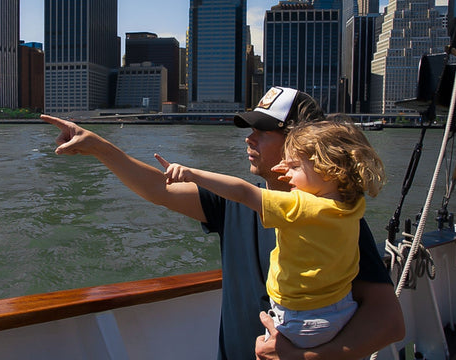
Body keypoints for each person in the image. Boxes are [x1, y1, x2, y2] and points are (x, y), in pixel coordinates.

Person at [41, 86, 405, 360]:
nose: (249, 139)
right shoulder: (235, 202)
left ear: (302, 141)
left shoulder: (336, 221)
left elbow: (389, 321)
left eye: (263, 131)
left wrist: (304, 358)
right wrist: (99, 147)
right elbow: (157, 187)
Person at [154, 119, 386, 349]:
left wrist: (192, 174)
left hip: (299, 320)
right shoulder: (352, 205)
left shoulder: (299, 207)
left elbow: (243, 192)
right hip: (340, 311)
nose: (286, 173)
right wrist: (301, 171)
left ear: (327, 170)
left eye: (294, 167)